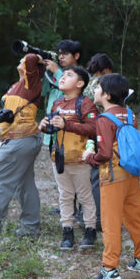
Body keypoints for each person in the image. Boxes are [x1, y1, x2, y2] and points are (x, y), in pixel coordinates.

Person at [82, 74, 140, 279]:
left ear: (107, 95)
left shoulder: (104, 119)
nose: (95, 91)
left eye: (98, 88)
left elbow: (103, 154)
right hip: (131, 174)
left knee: (111, 224)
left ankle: (109, 269)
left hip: (111, 177)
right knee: (134, 216)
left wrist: (88, 158)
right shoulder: (129, 115)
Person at [0, 54, 45, 238]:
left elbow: (29, 59)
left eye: (24, 61)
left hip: (22, 138)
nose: (21, 60)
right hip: (17, 138)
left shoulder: (32, 82)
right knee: (25, 184)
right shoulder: (17, 85)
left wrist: (35, 53)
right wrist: (3, 142)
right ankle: (30, 228)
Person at [39, 65, 99, 250]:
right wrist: (44, 126)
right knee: (64, 196)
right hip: (60, 158)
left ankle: (90, 231)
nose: (63, 77)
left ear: (80, 83)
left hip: (80, 159)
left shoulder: (85, 103)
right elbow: (54, 127)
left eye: (69, 75)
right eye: (63, 74)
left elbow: (94, 128)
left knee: (84, 196)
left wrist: (68, 125)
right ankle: (67, 232)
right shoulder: (57, 103)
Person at [83, 52, 113, 231]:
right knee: (97, 176)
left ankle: (85, 214)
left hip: (85, 131)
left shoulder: (84, 83)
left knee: (86, 176)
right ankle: (99, 219)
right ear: (105, 69)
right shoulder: (103, 84)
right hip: (101, 130)